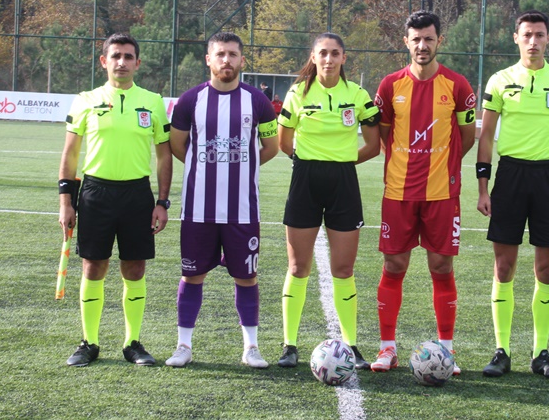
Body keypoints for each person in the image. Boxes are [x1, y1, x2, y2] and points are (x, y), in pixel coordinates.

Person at [476, 10, 549, 381]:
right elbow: (486, 136)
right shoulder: (500, 80)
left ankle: (541, 353)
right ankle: (502, 351)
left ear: (548, 38)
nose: (533, 41)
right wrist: (483, 187)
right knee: (503, 266)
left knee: (547, 269)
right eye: (527, 35)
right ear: (516, 38)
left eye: (539, 34)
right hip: (509, 177)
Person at [370, 11, 477, 375]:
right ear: (406, 42)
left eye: (428, 39)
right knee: (394, 265)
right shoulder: (390, 86)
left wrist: (441, 167)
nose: (422, 45)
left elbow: (466, 138)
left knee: (441, 267)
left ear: (438, 41)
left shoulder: (457, 85)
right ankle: (387, 348)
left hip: (442, 194)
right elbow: (385, 137)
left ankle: (446, 349)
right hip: (398, 193)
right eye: (416, 39)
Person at [165, 32, 279, 368]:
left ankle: (251, 347)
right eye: (219, 54)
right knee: (192, 276)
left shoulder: (258, 101)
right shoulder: (190, 100)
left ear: (242, 60)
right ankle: (183, 346)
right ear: (208, 60)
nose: (226, 60)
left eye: (232, 54)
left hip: (242, 210)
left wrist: (243, 166)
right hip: (198, 209)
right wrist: (206, 166)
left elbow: (271, 147)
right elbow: (177, 145)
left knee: (247, 277)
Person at [59, 33, 173, 367]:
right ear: (104, 61)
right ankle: (89, 342)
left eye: (128, 56)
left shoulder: (152, 101)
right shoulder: (85, 100)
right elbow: (70, 154)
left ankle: (132, 343)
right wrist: (66, 201)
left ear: (138, 63)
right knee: (93, 266)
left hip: (137, 194)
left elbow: (164, 157)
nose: (121, 62)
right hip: (95, 193)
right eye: (115, 56)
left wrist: (162, 202)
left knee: (135, 267)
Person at [276, 32, 380, 369]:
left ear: (344, 58)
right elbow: (284, 143)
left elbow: (374, 145)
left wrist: (342, 162)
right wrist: (312, 161)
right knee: (298, 267)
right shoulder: (297, 94)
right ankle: (289, 345)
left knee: (343, 269)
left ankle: (351, 345)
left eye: (335, 53)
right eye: (323, 53)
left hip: (343, 184)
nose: (329, 59)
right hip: (305, 181)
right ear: (314, 57)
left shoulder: (358, 95)